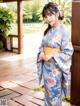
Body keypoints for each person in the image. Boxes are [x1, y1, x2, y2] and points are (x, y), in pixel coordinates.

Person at [37, 2, 73, 106]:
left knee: (55, 95)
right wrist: (42, 54)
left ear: (57, 14)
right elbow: (41, 46)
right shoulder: (48, 31)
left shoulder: (63, 31)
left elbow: (68, 51)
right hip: (46, 67)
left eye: (50, 15)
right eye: (46, 16)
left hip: (55, 69)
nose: (48, 18)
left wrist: (52, 55)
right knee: (47, 94)